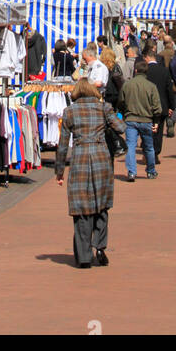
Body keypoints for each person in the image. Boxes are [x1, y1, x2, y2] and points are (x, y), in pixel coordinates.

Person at [55, 78, 126, 267]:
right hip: (101, 158)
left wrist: (59, 171)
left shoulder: (69, 112)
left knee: (82, 208)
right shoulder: (103, 108)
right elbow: (121, 128)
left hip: (80, 158)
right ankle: (100, 246)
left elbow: (62, 145)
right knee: (102, 205)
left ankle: (84, 256)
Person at [119, 59, 162, 181]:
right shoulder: (151, 86)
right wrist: (156, 121)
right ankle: (151, 170)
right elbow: (157, 107)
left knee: (131, 146)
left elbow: (121, 102)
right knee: (149, 147)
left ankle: (132, 172)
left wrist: (122, 114)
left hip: (131, 118)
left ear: (136, 70)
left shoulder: (127, 84)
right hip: (146, 119)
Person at [142, 43, 175, 163]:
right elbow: (169, 89)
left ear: (146, 57)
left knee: (147, 129)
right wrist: (171, 106)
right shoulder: (164, 71)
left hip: (146, 105)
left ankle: (148, 151)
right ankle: (155, 152)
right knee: (159, 130)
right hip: (162, 105)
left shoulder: (144, 71)